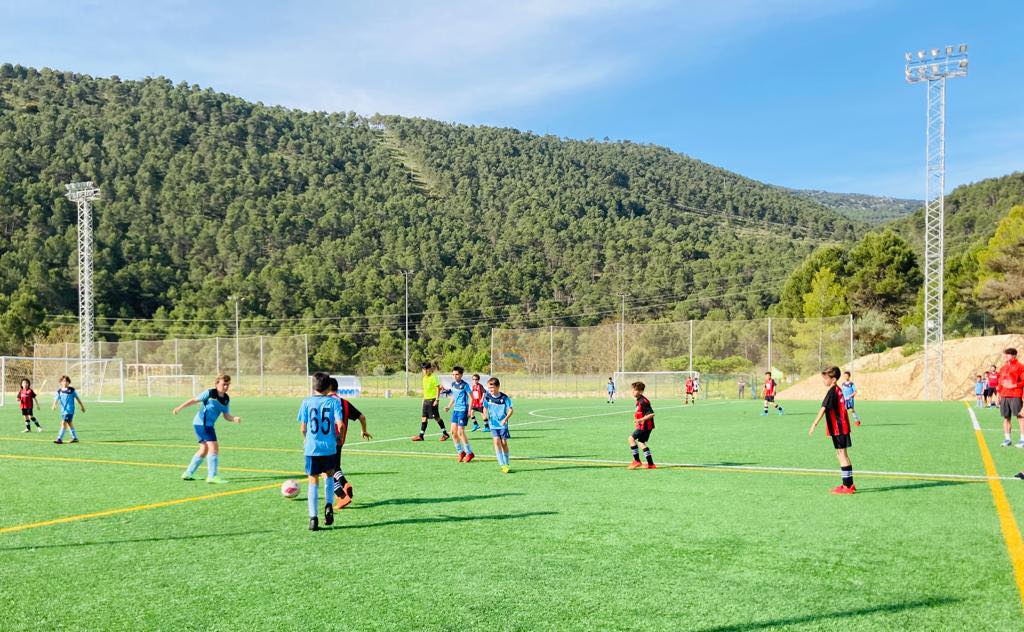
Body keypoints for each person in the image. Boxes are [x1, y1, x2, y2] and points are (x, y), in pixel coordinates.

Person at [173, 374, 241, 483]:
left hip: (202, 425)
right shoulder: (210, 393)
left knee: (204, 449)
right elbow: (194, 400)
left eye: (228, 385)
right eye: (224, 384)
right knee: (214, 448)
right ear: (217, 384)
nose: (226, 387)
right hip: (203, 424)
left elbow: (226, 415)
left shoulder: (226, 399)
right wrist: (179, 407)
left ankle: (188, 473)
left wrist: (233, 418)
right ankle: (212, 476)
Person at [299, 372, 343, 531]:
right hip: (329, 447)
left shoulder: (306, 402)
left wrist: (306, 439)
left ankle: (313, 518)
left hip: (312, 448)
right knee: (330, 476)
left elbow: (303, 427)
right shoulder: (333, 403)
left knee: (313, 481)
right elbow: (340, 424)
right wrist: (337, 437)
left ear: (313, 386)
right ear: (329, 387)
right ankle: (329, 504)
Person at [808, 366, 855, 495]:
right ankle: (848, 484)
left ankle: (848, 487)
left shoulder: (832, 391)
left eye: (825, 378)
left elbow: (823, 408)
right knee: (841, 454)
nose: (824, 381)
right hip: (841, 427)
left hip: (838, 428)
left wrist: (814, 424)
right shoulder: (837, 389)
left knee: (842, 454)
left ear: (833, 379)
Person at [327, 378, 371, 509]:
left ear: (327, 387)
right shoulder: (345, 403)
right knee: (335, 467)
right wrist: (364, 430)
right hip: (340, 439)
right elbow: (362, 417)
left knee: (325, 471)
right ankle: (345, 484)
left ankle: (341, 495)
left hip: (325, 441)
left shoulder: (323, 402)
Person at [482, 377, 513, 473]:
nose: (490, 390)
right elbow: (485, 407)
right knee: (496, 442)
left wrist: (505, 419)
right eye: (489, 388)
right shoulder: (487, 397)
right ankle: (502, 465)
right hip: (493, 425)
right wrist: (485, 414)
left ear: (498, 387)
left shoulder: (504, 398)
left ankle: (507, 463)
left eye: (492, 387)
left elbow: (511, 410)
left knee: (504, 443)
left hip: (503, 424)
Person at [444, 366, 475, 462]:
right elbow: (454, 396)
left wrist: (469, 410)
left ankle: (469, 453)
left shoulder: (465, 385)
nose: (455, 376)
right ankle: (461, 452)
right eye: (453, 374)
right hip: (455, 410)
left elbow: (471, 398)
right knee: (453, 432)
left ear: (461, 375)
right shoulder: (453, 384)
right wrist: (449, 406)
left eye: (457, 374)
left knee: (460, 432)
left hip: (463, 410)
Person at [412, 363, 448, 442]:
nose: (424, 371)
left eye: (425, 369)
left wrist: (437, 400)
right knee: (424, 418)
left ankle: (445, 434)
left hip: (432, 400)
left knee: (436, 417)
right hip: (426, 401)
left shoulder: (433, 377)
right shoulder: (424, 378)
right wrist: (423, 401)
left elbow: (438, 389)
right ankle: (421, 436)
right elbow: (425, 391)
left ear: (429, 369)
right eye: (423, 369)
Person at [996, 349, 1024, 449]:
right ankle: (1007, 439)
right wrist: (998, 395)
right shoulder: (1003, 368)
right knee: (1006, 418)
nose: (1006, 356)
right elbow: (1000, 382)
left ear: (1014, 356)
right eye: (1006, 354)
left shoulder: (1020, 366)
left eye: (1008, 354)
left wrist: (1014, 385)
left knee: (1020, 417)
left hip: (1015, 395)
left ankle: (1022, 440)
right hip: (1004, 396)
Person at [628, 381, 656, 470]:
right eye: (632, 389)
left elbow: (652, 414)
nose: (632, 391)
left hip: (645, 426)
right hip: (646, 426)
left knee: (631, 439)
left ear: (640, 391)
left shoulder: (643, 401)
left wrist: (641, 420)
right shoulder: (639, 400)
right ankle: (651, 464)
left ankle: (637, 461)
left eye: (635, 390)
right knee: (641, 443)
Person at [52, 375, 84, 444]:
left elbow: (77, 398)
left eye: (66, 381)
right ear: (61, 382)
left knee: (64, 423)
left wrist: (82, 406)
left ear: (69, 382)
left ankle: (59, 438)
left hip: (69, 410)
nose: (65, 382)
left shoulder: (72, 390)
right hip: (63, 410)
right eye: (63, 381)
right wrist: (54, 405)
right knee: (69, 423)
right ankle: (75, 437)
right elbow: (56, 399)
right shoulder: (59, 391)